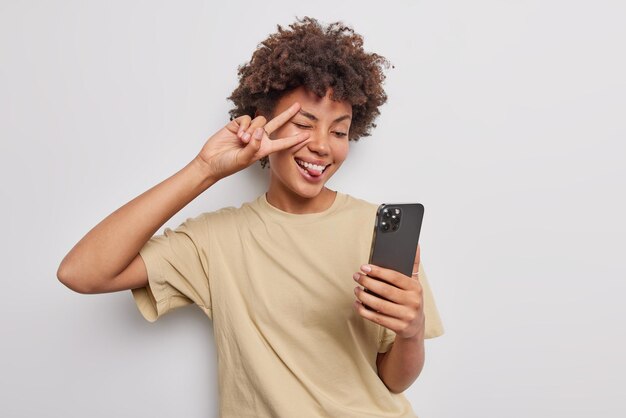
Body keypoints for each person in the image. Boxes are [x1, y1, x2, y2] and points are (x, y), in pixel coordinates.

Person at [57, 17, 444, 418]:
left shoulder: (374, 229)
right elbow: (81, 272)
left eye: (339, 132)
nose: (321, 146)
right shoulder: (216, 240)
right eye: (302, 124)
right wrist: (204, 168)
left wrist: (412, 331)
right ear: (264, 122)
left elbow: (394, 380)